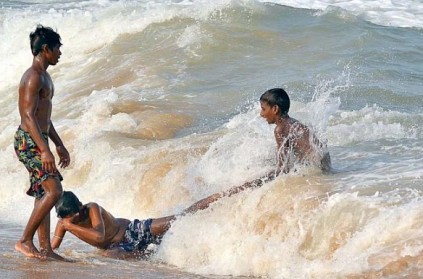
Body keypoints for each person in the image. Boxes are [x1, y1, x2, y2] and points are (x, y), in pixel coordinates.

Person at [52, 181, 271, 259]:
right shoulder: (65, 221)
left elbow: (99, 235)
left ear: (79, 210)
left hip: (134, 230)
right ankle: (154, 255)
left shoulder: (91, 208)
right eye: (63, 219)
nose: (65, 222)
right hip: (120, 247)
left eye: (69, 218)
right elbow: (53, 246)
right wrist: (48, 251)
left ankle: (225, 196)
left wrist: (69, 226)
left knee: (181, 217)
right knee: (110, 256)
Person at [14, 25, 70, 260]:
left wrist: (58, 144)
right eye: (58, 48)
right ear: (46, 49)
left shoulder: (45, 77)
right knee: (54, 190)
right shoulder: (33, 77)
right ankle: (25, 241)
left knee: (44, 193)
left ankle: (45, 249)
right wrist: (44, 150)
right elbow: (27, 117)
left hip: (40, 138)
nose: (60, 53)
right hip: (29, 141)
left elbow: (44, 117)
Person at [259, 88, 331, 174]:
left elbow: (282, 169)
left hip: (316, 171)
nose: (261, 114)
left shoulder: (280, 129)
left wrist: (254, 183)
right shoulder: (292, 123)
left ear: (275, 109)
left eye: (263, 109)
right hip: (324, 167)